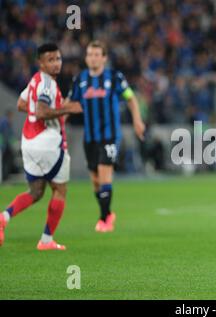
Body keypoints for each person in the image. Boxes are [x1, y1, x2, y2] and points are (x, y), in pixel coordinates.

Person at [0, 43, 82, 250]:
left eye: (58, 59)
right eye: (50, 60)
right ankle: (46, 240)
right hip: (48, 142)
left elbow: (20, 104)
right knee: (60, 190)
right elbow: (44, 112)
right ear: (41, 63)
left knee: (36, 191)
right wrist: (65, 110)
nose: (56, 64)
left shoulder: (35, 81)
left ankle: (3, 217)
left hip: (28, 142)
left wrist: (52, 108)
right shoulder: (47, 85)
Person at [67, 41, 145, 233]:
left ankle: (104, 220)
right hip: (90, 137)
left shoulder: (115, 77)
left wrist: (137, 120)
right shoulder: (80, 79)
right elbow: (68, 103)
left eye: (96, 54)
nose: (92, 58)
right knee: (94, 180)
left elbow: (130, 97)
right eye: (89, 54)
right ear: (86, 58)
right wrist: (57, 120)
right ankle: (108, 213)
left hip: (110, 135)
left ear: (104, 58)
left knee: (104, 173)